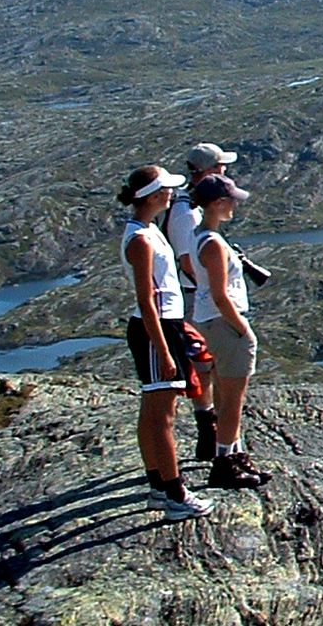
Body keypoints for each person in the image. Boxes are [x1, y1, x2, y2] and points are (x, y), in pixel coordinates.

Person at [117, 164, 214, 521]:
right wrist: (162, 347)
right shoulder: (141, 240)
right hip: (154, 328)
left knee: (152, 409)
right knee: (164, 417)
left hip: (163, 325)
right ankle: (175, 493)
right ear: (152, 195)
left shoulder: (147, 231)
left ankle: (158, 486)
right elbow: (146, 300)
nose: (172, 193)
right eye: (166, 189)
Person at [189, 173, 271, 490]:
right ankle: (225, 464)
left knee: (226, 395)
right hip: (224, 324)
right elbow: (221, 295)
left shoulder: (202, 236)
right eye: (231, 200)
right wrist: (243, 330)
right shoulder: (211, 243)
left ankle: (236, 457)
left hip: (212, 322)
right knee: (232, 400)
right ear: (220, 204)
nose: (235, 205)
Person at [165, 142, 236, 461]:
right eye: (220, 167)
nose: (225, 172)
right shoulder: (184, 213)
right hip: (196, 299)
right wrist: (216, 296)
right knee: (206, 364)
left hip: (201, 297)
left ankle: (217, 434)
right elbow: (189, 262)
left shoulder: (193, 207)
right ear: (206, 171)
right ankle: (212, 434)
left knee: (211, 363)